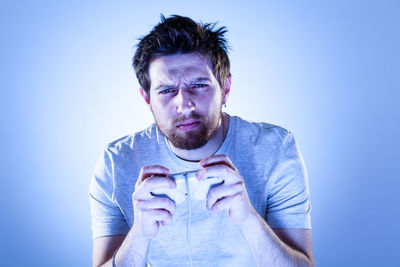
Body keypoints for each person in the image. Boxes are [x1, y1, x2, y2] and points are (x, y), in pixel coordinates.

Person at [89, 15, 314, 267]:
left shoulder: (275, 150)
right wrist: (139, 237)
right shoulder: (116, 164)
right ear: (146, 98)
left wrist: (249, 219)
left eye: (198, 85)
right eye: (166, 90)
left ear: (225, 88)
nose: (184, 104)